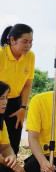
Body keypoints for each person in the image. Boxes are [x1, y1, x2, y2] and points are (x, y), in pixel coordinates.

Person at [0, 24, 34, 155]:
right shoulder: (1, 54)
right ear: (12, 40)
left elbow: (27, 84)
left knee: (13, 144)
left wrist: (23, 108)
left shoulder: (30, 56)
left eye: (31, 42)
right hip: (0, 100)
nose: (28, 45)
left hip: (16, 103)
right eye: (25, 42)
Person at [0, 81, 26, 172]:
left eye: (6, 97)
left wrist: (11, 155)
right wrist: (14, 166)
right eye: (1, 98)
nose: (5, 102)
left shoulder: (1, 121)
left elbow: (5, 146)